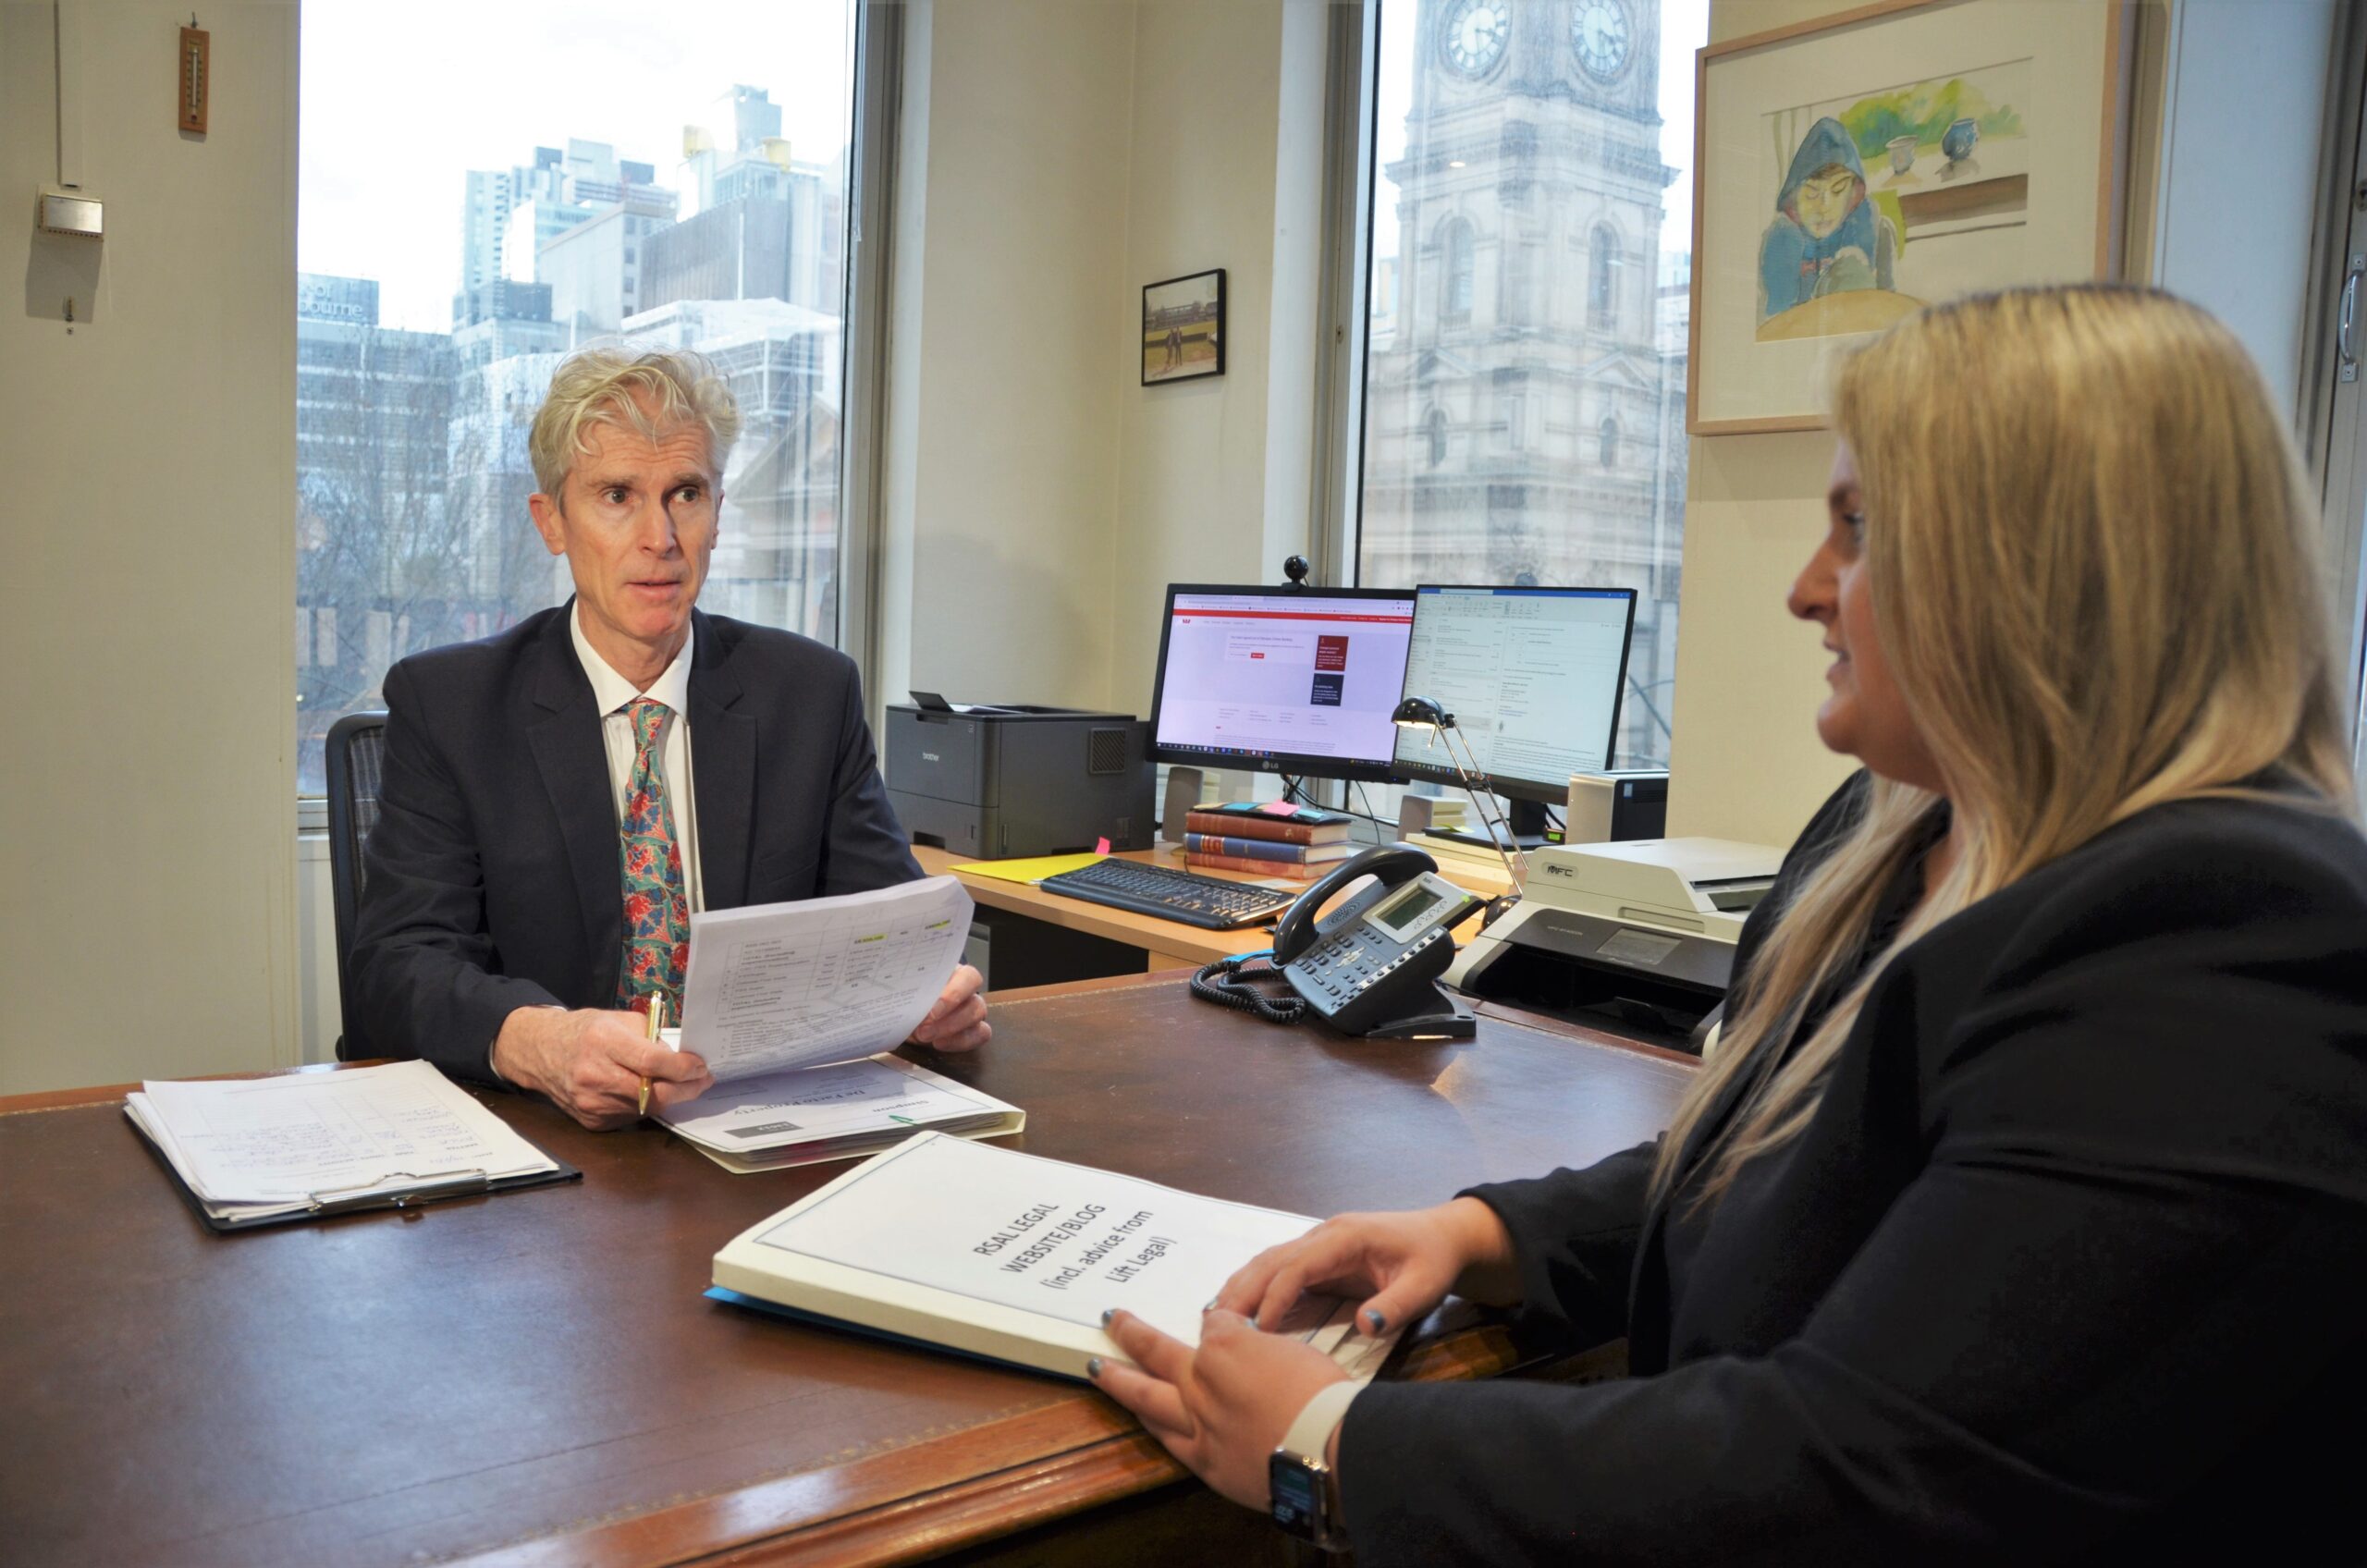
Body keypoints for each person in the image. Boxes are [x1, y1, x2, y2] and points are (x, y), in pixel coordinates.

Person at [1090, 285, 2367, 1561]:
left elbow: (1864, 1478)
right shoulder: (1893, 836)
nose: (1809, 591)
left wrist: (1328, 1446)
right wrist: (1479, 1234)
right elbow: (1792, 1162)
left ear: (2041, 562)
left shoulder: (2223, 939)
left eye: (1859, 532)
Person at [349, 349, 988, 1129]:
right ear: (551, 522)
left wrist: (927, 992)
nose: (661, 537)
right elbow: (396, 964)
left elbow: (888, 920)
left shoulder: (810, 693)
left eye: (685, 494)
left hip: (762, 1121)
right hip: (548, 1134)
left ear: (717, 511)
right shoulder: (451, 704)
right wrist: (538, 1040)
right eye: (617, 496)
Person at [1758, 115, 1899, 323]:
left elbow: (1888, 312)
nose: (1824, 207)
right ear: (1793, 196)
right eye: (1812, 193)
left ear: (1853, 192)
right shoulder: (1781, 240)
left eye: (1838, 189)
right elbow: (1772, 324)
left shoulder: (1875, 232)